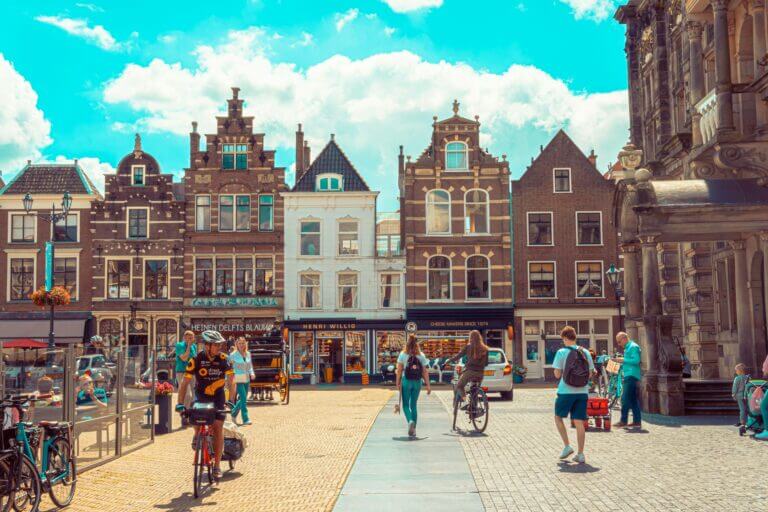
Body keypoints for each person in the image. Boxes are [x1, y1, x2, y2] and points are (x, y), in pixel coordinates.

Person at [176, 330, 236, 479]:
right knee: (193, 415)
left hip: (218, 397)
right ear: (207, 346)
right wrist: (180, 403)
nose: (219, 347)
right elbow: (184, 382)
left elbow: (231, 381)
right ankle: (197, 434)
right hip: (201, 395)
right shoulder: (195, 359)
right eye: (216, 345)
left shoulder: (225, 359)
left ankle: (217, 465)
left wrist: (231, 401)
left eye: (220, 345)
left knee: (217, 427)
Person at [552, 326, 595, 464]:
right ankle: (581, 454)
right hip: (582, 392)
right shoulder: (586, 352)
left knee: (558, 417)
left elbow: (557, 374)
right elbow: (591, 373)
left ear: (565, 338)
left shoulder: (561, 352)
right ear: (575, 337)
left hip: (565, 391)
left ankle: (567, 446)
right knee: (579, 422)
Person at [395, 334, 431, 437]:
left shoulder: (403, 354)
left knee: (405, 405)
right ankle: (414, 429)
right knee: (413, 405)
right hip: (417, 382)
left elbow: (399, 370)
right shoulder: (421, 355)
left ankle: (410, 421)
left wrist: (397, 382)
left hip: (406, 381)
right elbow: (425, 371)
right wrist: (428, 385)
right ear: (417, 343)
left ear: (407, 342)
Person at [446, 330, 489, 406]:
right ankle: (474, 410)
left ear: (471, 338)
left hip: (469, 372)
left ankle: (465, 402)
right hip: (480, 374)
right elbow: (486, 364)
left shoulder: (468, 347)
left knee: (459, 386)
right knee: (474, 391)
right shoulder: (485, 349)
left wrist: (448, 361)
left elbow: (458, 356)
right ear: (480, 338)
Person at [613, 332, 642, 428]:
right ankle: (637, 421)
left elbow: (636, 360)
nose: (618, 344)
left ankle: (623, 421)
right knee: (633, 399)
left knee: (624, 398)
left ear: (625, 338)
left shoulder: (633, 347)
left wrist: (622, 360)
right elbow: (630, 361)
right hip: (629, 374)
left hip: (631, 375)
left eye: (619, 341)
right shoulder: (629, 347)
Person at [229, 336, 255, 425]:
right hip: (238, 377)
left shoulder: (248, 353)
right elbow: (229, 367)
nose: (241, 345)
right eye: (239, 343)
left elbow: (249, 365)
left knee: (243, 399)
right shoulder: (232, 355)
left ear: (245, 344)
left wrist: (252, 373)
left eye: (243, 343)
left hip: (247, 377)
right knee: (243, 398)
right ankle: (245, 419)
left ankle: (233, 413)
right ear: (236, 344)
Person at [175, 330, 198, 424]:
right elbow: (184, 357)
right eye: (189, 338)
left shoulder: (194, 346)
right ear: (184, 337)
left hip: (192, 373)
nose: (191, 339)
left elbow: (194, 359)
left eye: (192, 337)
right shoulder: (179, 345)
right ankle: (184, 415)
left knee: (194, 396)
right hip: (182, 372)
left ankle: (188, 414)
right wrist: (188, 345)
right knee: (187, 395)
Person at [732, 363, 748, 427]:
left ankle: (742, 422)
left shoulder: (737, 378)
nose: (736, 372)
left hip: (739, 395)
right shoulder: (747, 377)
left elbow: (735, 387)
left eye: (736, 370)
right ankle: (748, 421)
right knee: (747, 408)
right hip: (747, 395)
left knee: (742, 409)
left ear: (740, 371)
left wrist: (733, 394)